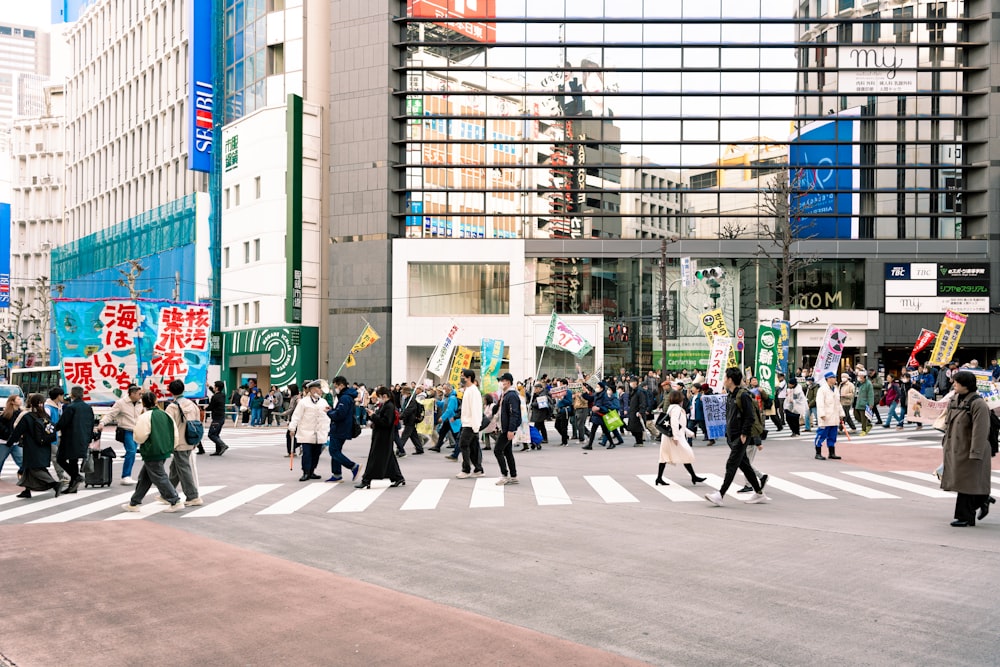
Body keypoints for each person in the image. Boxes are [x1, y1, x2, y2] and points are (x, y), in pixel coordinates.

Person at [704, 368, 768, 506]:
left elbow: (749, 416)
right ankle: (759, 493)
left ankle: (720, 495)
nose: (724, 379)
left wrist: (744, 434)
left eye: (725, 377)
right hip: (732, 436)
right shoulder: (731, 395)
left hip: (740, 436)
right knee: (745, 465)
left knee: (731, 464)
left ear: (730, 379)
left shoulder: (743, 395)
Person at [940, 370, 995, 527]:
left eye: (956, 382)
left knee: (966, 483)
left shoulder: (978, 404)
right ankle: (983, 499)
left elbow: (981, 430)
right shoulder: (955, 399)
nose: (953, 384)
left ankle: (965, 517)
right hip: (956, 447)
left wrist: (976, 452)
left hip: (971, 448)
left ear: (965, 385)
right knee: (962, 482)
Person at [120, 392, 184, 513]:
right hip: (164, 449)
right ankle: (134, 503)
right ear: (155, 401)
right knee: (145, 477)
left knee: (159, 476)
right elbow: (174, 432)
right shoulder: (165, 414)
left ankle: (175, 500)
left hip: (151, 451)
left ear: (143, 403)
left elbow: (139, 436)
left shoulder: (145, 416)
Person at [8, 393, 61, 499]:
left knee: (34, 468)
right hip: (45, 446)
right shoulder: (46, 416)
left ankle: (54, 484)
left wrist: (10, 443)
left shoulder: (28, 417)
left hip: (32, 447)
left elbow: (17, 431)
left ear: (31, 403)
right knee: (30, 468)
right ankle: (27, 490)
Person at [355, 387, 405, 488]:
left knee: (375, 458)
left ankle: (366, 480)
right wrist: (373, 415)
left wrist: (373, 416)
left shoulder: (389, 406)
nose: (378, 399)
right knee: (389, 458)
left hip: (383, 437)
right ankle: (397, 477)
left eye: (379, 397)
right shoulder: (386, 405)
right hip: (383, 436)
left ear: (384, 396)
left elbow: (386, 422)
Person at [655, 389, 706, 486]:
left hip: (669, 436)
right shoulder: (676, 409)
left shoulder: (672, 408)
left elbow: (679, 425)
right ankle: (693, 476)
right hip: (674, 437)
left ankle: (659, 478)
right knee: (685, 453)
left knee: (665, 456)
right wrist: (675, 437)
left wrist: (689, 433)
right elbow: (674, 422)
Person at [164, 379, 203, 505]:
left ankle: (193, 496)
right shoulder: (192, 405)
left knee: (183, 469)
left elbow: (167, 426)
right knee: (175, 468)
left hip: (178, 442)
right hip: (190, 440)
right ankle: (167, 493)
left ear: (171, 391)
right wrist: (196, 442)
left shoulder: (172, 407)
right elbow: (198, 423)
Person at [98, 385, 144, 484]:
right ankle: (125, 476)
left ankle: (128, 475)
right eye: (139, 394)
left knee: (133, 452)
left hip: (137, 430)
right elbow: (111, 414)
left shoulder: (141, 403)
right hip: (126, 430)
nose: (141, 396)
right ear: (132, 394)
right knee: (131, 451)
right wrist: (102, 423)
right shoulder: (121, 403)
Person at [55, 385, 95, 495]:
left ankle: (76, 477)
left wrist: (53, 428)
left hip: (70, 438)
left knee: (60, 459)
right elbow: (91, 424)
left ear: (72, 395)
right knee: (74, 461)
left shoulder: (70, 407)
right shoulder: (88, 407)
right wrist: (89, 438)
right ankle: (73, 485)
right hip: (83, 438)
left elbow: (62, 423)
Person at [288, 381, 330, 481]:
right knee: (307, 453)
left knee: (316, 454)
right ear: (311, 390)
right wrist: (292, 428)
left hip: (319, 433)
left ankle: (312, 471)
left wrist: (327, 429)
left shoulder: (323, 402)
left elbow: (327, 417)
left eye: (320, 389)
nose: (320, 391)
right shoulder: (303, 402)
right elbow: (296, 416)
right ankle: (305, 472)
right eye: (317, 389)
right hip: (306, 432)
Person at [326, 375, 361, 483]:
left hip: (340, 428)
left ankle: (353, 467)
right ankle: (337, 474)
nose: (335, 388)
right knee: (336, 450)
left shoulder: (345, 397)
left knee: (333, 451)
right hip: (342, 427)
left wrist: (329, 412)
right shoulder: (346, 396)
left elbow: (340, 414)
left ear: (341, 385)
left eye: (336, 386)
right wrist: (332, 410)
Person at [455, 369, 485, 479]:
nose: (461, 378)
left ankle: (466, 469)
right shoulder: (468, 390)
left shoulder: (473, 391)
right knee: (473, 447)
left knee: (463, 444)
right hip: (468, 423)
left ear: (468, 378)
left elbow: (476, 409)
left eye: (463, 376)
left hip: (471, 424)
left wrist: (476, 426)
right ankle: (478, 469)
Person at [494, 372, 521, 485]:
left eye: (502, 380)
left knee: (497, 450)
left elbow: (514, 413)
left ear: (508, 382)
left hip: (507, 429)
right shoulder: (505, 394)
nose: (501, 383)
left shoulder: (512, 395)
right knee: (507, 451)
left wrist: (511, 430)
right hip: (504, 427)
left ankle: (504, 475)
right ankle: (513, 475)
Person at [43, 387, 70, 483]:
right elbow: (46, 423)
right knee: (55, 456)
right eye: (62, 395)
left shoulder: (59, 406)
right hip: (52, 436)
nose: (63, 397)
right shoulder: (48, 407)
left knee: (58, 456)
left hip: (59, 434)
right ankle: (61, 476)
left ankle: (61, 475)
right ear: (58, 396)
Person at [814, 371, 842, 460]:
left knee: (832, 436)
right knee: (821, 435)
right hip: (826, 416)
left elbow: (838, 403)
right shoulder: (822, 389)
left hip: (834, 416)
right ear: (828, 379)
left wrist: (841, 413)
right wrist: (822, 414)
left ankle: (831, 453)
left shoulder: (836, 389)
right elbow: (820, 403)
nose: (835, 379)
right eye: (833, 378)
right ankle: (818, 453)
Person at [395, 385, 426, 456]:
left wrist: (400, 416)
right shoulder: (407, 400)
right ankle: (419, 449)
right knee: (413, 435)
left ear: (407, 393)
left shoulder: (411, 401)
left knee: (404, 436)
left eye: (403, 392)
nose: (402, 394)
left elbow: (408, 410)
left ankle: (399, 449)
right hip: (409, 420)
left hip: (410, 420)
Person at [583, 381, 614, 450]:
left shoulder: (604, 396)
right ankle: (611, 443)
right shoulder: (596, 394)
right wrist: (584, 393)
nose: (596, 388)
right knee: (600, 430)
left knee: (598, 430)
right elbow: (590, 398)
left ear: (602, 388)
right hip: (596, 415)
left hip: (601, 415)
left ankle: (590, 445)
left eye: (598, 387)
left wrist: (599, 408)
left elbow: (608, 407)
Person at [0, 395, 23, 479]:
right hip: (4, 442)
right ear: (13, 402)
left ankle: (22, 473)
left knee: (21, 460)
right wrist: (7, 432)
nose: (20, 400)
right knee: (0, 460)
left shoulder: (20, 412)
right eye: (18, 399)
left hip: (15, 441)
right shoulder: (7, 413)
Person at [206, 381, 229, 455]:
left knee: (211, 434)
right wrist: (209, 386)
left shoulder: (215, 397)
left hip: (216, 418)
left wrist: (204, 408)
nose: (214, 387)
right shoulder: (222, 395)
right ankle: (218, 451)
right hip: (221, 418)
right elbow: (215, 392)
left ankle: (223, 445)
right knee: (216, 434)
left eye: (214, 386)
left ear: (217, 388)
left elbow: (210, 407)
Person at [528, 382, 550, 447]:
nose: (535, 390)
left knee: (537, 427)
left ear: (539, 388)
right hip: (540, 414)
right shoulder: (539, 394)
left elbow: (541, 404)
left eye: (536, 388)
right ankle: (543, 438)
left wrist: (532, 404)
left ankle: (536, 441)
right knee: (542, 426)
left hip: (540, 413)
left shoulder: (542, 395)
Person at [853, 370, 874, 435]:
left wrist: (871, 404)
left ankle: (863, 430)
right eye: (858, 376)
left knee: (863, 418)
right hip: (857, 402)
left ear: (864, 376)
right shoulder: (858, 383)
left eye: (860, 376)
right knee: (856, 416)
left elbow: (870, 394)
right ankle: (868, 424)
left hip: (864, 403)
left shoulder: (868, 384)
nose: (858, 377)